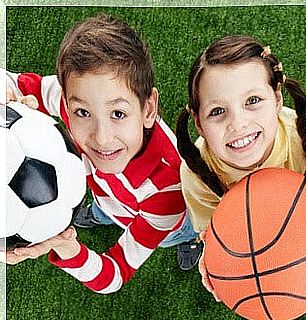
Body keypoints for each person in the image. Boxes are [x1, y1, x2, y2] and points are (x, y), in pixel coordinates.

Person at [4, 13, 203, 294]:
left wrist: (66, 247)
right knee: (104, 205)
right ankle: (101, 213)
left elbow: (115, 275)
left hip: (167, 223)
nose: (101, 137)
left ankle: (190, 241)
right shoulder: (67, 101)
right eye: (83, 113)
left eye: (118, 113)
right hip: (107, 196)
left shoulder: (166, 192)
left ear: (148, 109)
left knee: (182, 231)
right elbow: (12, 83)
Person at [176, 35, 306, 297]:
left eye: (252, 101)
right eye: (217, 111)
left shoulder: (304, 138)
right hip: (248, 231)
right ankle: (186, 243)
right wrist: (218, 254)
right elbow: (215, 229)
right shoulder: (196, 175)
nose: (238, 124)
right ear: (199, 123)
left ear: (276, 98)